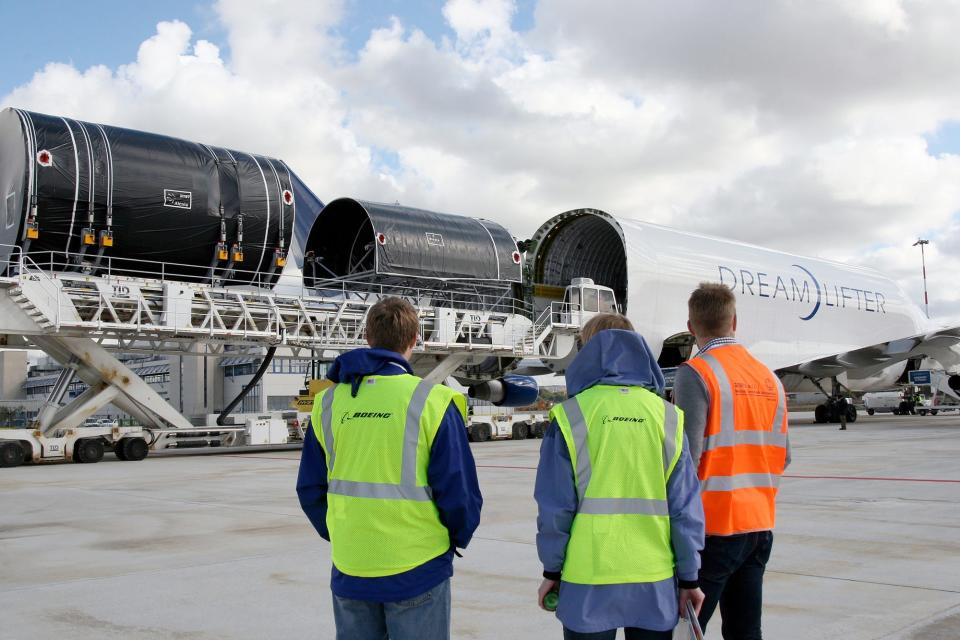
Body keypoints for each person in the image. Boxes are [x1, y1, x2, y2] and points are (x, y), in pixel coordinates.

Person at [297, 296, 482, 640]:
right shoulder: (433, 401)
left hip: (351, 566)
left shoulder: (327, 403)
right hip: (419, 566)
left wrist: (344, 534)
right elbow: (460, 493)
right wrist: (452, 541)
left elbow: (309, 488)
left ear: (367, 337)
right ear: (414, 341)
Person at [535, 313, 706, 640]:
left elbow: (555, 509)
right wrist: (689, 578)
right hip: (653, 578)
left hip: (587, 577)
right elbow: (684, 509)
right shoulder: (667, 417)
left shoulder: (571, 416)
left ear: (588, 352)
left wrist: (552, 570)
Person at [673, 283, 790, 639]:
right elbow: (783, 457)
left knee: (684, 632)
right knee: (744, 631)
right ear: (734, 320)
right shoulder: (769, 377)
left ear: (691, 327)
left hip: (713, 529)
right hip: (759, 527)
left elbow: (686, 461)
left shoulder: (696, 372)